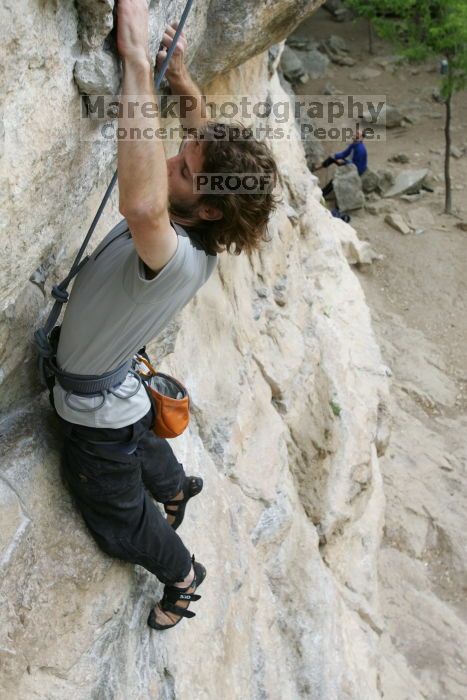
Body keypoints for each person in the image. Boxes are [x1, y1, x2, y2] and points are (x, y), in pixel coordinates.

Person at [52, 0, 280, 631]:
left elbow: (145, 205)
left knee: (118, 518)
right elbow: (199, 148)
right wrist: (181, 84)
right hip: (119, 385)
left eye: (183, 167)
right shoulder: (204, 222)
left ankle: (183, 575)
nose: (174, 159)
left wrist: (133, 62)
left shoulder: (174, 253)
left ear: (207, 209)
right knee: (139, 442)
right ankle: (176, 487)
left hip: (97, 419)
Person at [313, 129, 368, 198]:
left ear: (361, 138)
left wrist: (345, 162)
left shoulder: (360, 149)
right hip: (351, 164)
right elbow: (345, 153)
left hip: (356, 169)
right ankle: (317, 167)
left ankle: (322, 194)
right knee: (332, 158)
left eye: (357, 134)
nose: (355, 134)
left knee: (335, 179)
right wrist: (335, 156)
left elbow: (357, 166)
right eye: (356, 133)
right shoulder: (354, 144)